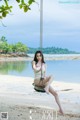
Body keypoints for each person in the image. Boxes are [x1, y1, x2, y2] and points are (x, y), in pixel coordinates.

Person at [32, 50, 64, 115]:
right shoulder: (34, 62)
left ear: (42, 56)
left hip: (43, 81)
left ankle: (61, 109)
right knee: (51, 76)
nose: (39, 57)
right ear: (35, 56)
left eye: (40, 56)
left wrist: (44, 77)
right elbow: (35, 68)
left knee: (55, 94)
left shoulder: (44, 64)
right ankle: (46, 87)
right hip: (37, 81)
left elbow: (44, 74)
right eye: (37, 56)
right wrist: (40, 68)